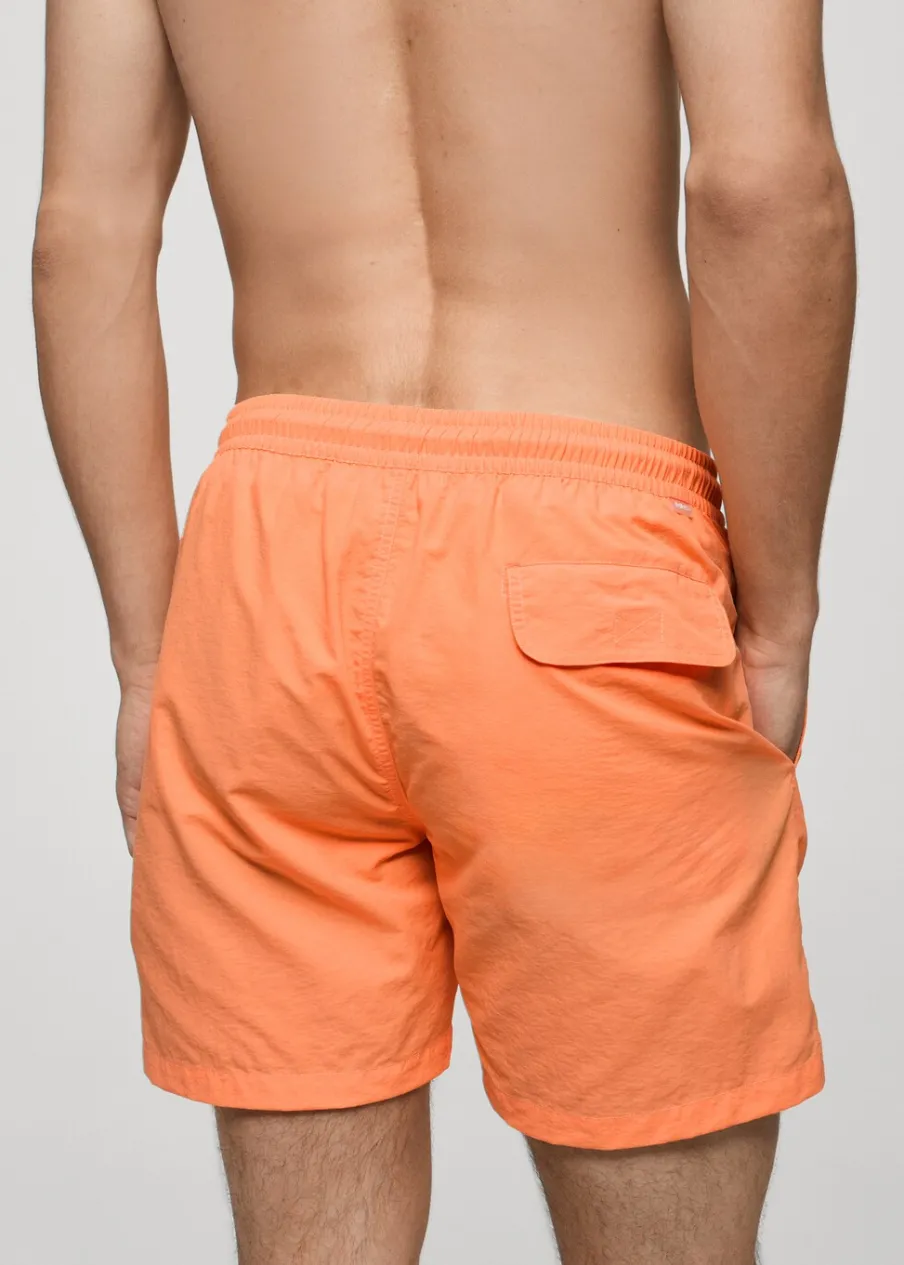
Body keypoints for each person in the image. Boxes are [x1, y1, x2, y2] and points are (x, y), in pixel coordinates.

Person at [32, 0, 856, 1260]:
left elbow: (82, 236)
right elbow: (762, 183)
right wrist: (781, 610)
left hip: (266, 555)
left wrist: (148, 659)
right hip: (585, 547)